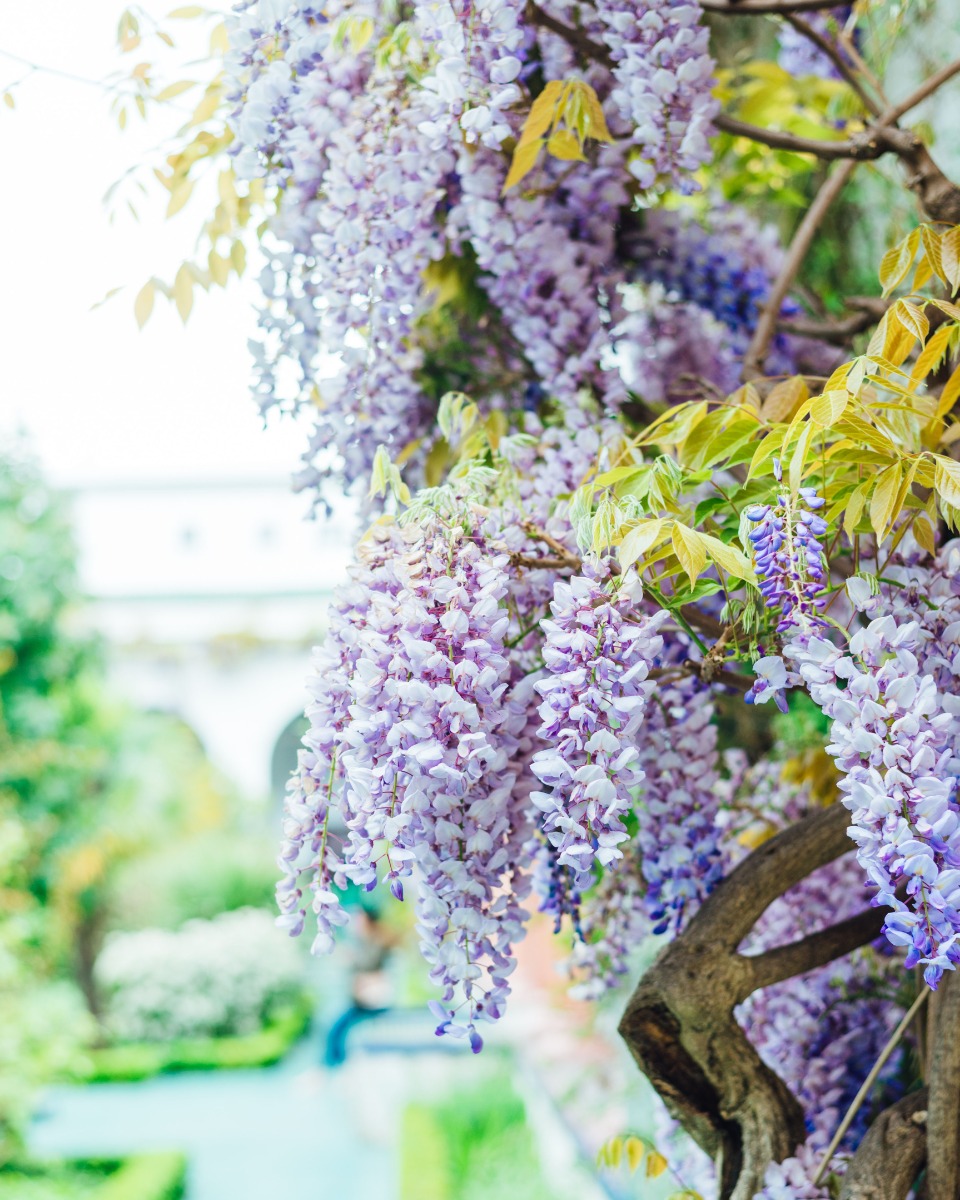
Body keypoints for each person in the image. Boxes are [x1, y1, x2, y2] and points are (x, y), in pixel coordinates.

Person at [323, 906, 397, 1067]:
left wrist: (353, 962)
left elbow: (371, 968)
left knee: (337, 1029)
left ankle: (332, 1065)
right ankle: (332, 1064)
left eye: (360, 919)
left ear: (368, 921)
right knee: (336, 1030)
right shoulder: (364, 942)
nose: (356, 923)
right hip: (362, 999)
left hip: (373, 999)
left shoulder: (378, 942)